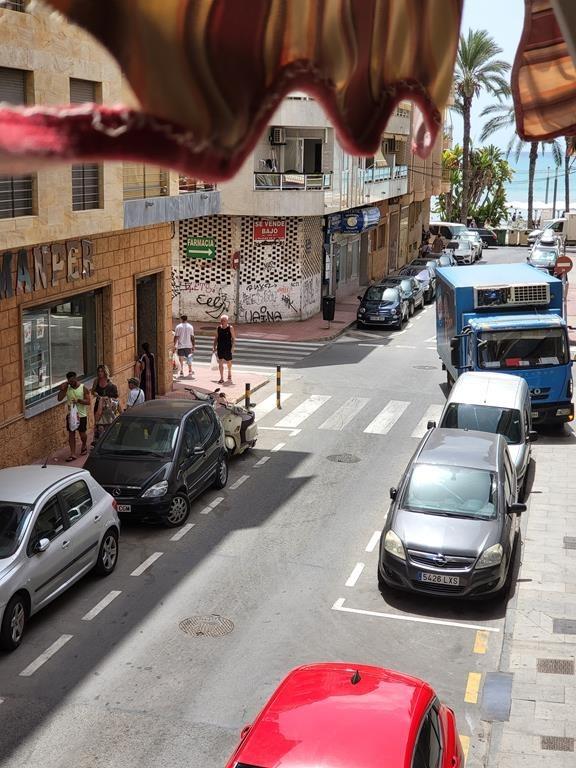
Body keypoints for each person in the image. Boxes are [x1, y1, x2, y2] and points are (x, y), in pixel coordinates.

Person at [57, 371, 91, 461]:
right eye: (69, 381)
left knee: (82, 433)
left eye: (73, 380)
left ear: (76, 378)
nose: (71, 383)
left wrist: (79, 400)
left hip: (81, 414)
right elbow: (59, 398)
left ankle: (84, 444)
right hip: (71, 415)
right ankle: (72, 453)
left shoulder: (83, 388)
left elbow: (88, 402)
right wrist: (62, 389)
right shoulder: (67, 388)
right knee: (71, 434)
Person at [213, 314, 236, 385]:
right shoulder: (218, 328)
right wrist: (214, 347)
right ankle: (221, 377)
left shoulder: (230, 328)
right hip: (220, 347)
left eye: (224, 321)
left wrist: (233, 347)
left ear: (227, 321)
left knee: (229, 362)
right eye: (221, 320)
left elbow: (233, 338)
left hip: (228, 347)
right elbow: (216, 338)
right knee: (220, 362)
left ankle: (229, 371)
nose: (222, 322)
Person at [91, 364, 111, 441]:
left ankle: (107, 439)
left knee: (106, 423)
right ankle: (97, 440)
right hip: (98, 404)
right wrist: (95, 393)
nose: (100, 373)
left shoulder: (109, 381)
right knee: (98, 423)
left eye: (102, 371)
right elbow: (92, 391)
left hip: (106, 405)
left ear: (105, 372)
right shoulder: (96, 381)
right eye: (99, 371)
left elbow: (114, 394)